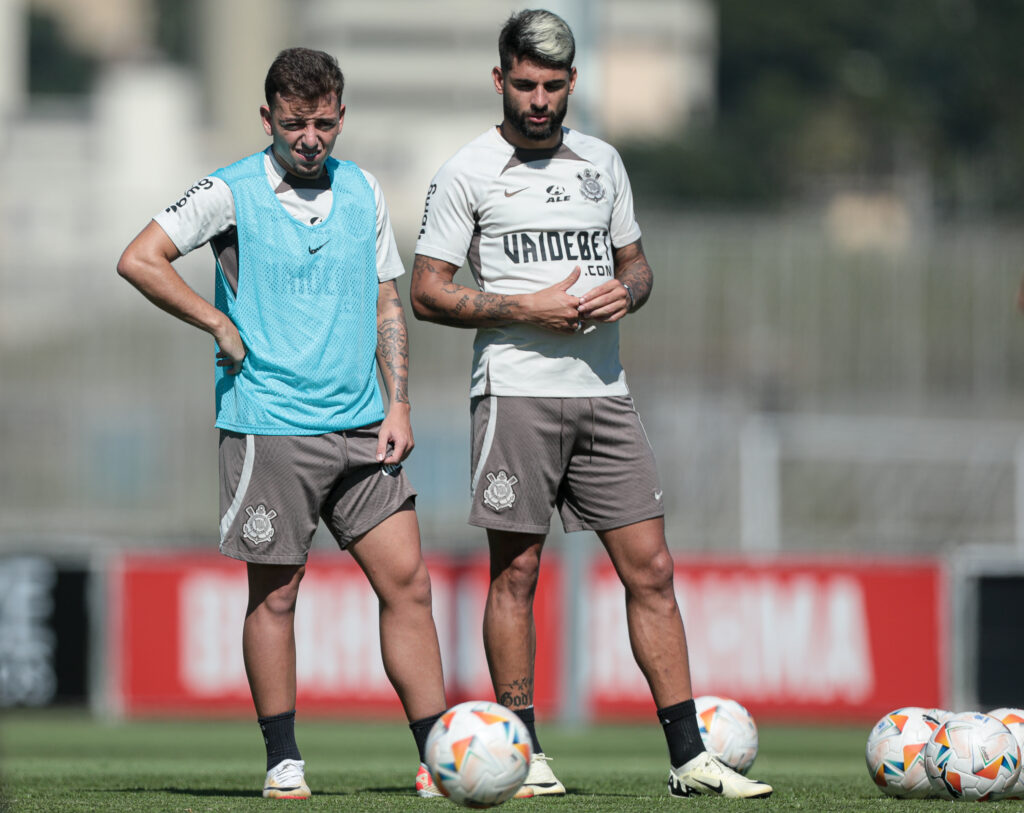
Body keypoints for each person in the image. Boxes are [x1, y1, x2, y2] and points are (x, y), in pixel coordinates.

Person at [410, 9, 773, 800]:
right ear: (499, 79)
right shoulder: (467, 170)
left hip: (605, 395)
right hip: (515, 395)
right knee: (518, 573)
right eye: (525, 84)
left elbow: (639, 268)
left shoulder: (604, 162)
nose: (538, 99)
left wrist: (626, 294)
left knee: (654, 569)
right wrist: (524, 307)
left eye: (552, 86)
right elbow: (427, 294)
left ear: (573, 84)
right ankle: (527, 753)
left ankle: (689, 757)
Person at [117, 47, 447, 800]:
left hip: (363, 425)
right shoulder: (228, 191)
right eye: (295, 123)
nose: (310, 138)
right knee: (276, 594)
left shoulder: (361, 188)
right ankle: (282, 757)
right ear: (267, 118)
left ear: (341, 118)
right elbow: (140, 258)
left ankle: (438, 754)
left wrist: (397, 402)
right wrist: (214, 323)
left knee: (409, 586)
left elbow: (387, 303)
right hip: (269, 424)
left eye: (324, 123)